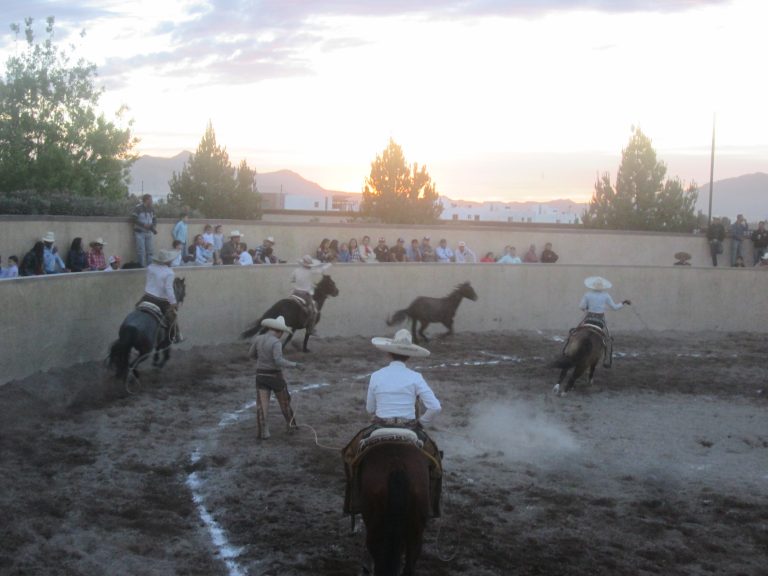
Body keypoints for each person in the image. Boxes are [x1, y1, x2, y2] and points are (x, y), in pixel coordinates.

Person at [341, 328, 443, 517]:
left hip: (380, 426)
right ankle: (430, 508)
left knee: (350, 455)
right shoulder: (415, 377)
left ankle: (354, 504)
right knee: (435, 461)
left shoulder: (377, 375)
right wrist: (421, 422)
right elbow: (435, 407)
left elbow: (370, 409)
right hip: (410, 429)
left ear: (388, 353)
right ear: (409, 357)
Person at [249, 315, 299, 439]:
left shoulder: (258, 338)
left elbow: (251, 354)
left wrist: (262, 360)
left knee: (262, 405)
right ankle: (291, 425)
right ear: (280, 331)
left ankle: (263, 432)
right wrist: (295, 364)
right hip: (274, 376)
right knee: (284, 402)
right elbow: (278, 361)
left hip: (260, 375)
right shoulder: (276, 342)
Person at [577, 276, 631, 368]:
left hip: (588, 318)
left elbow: (581, 307)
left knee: (575, 332)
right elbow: (615, 307)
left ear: (593, 286)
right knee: (608, 339)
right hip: (600, 320)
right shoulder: (606, 295)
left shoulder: (587, 294)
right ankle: (607, 360)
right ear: (603, 287)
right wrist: (623, 302)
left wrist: (587, 308)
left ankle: (566, 351)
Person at [137, 248, 182, 343]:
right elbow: (168, 289)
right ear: (167, 261)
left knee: (137, 307)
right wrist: (173, 303)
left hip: (147, 297)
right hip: (160, 300)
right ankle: (175, 336)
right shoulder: (170, 272)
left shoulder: (150, 267)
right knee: (172, 316)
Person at [291, 255, 331, 334]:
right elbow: (321, 270)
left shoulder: (296, 270)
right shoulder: (310, 271)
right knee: (315, 311)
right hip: (305, 294)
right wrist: (329, 264)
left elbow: (292, 280)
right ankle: (310, 329)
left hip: (295, 292)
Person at [132, 194, 156, 267]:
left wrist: (153, 226)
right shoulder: (138, 208)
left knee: (150, 252)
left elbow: (155, 219)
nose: (152, 201)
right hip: (139, 233)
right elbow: (133, 218)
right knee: (141, 252)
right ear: (146, 200)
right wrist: (143, 225)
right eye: (150, 200)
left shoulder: (152, 209)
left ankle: (150, 267)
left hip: (149, 232)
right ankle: (141, 268)